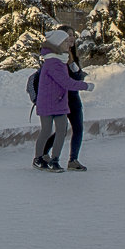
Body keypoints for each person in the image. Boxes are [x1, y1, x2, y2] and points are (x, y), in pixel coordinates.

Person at [33, 29, 93, 173]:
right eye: (66, 41)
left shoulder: (62, 59)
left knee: (61, 130)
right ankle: (38, 158)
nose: (69, 43)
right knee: (47, 130)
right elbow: (65, 82)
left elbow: (72, 77)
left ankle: (55, 160)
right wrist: (85, 85)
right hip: (48, 102)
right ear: (58, 43)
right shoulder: (53, 62)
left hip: (60, 101)